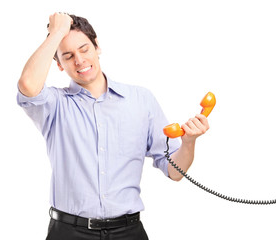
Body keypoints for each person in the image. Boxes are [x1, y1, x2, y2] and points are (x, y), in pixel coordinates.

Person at [17, 12, 209, 240]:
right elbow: (28, 85)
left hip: (128, 232)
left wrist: (188, 142)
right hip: (69, 232)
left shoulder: (141, 100)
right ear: (58, 64)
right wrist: (57, 31)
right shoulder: (53, 105)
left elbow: (175, 172)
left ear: (97, 46)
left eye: (84, 49)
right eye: (67, 56)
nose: (79, 60)